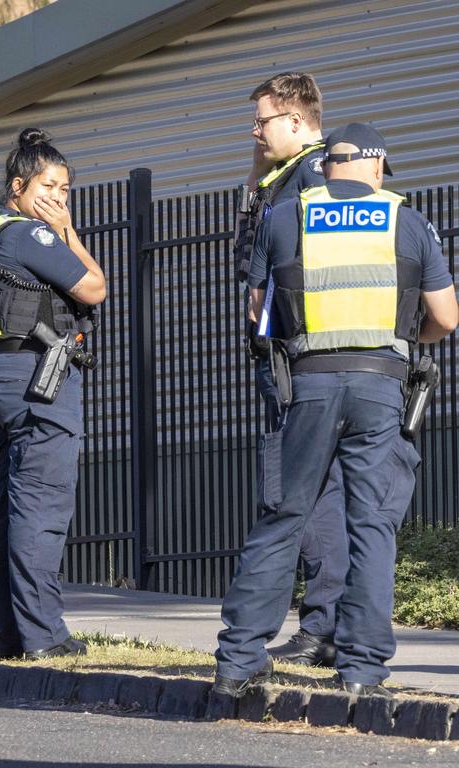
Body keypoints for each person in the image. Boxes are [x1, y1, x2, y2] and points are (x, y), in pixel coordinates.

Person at [215, 123, 458, 697]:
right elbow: (446, 318)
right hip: (381, 386)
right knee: (371, 523)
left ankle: (238, 660)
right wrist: (403, 341)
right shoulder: (407, 220)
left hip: (308, 384)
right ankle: (363, 671)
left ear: (327, 166)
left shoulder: (283, 216)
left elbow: (258, 310)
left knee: (286, 516)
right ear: (375, 167)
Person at [0, 128, 106, 659]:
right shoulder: (30, 235)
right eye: (49, 186)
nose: (59, 199)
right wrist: (67, 230)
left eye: (66, 190)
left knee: (7, 511)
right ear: (18, 186)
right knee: (40, 509)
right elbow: (94, 287)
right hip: (36, 380)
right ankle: (44, 635)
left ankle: (7, 633)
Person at [233, 73, 344, 668]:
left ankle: (323, 625)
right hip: (296, 354)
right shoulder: (290, 174)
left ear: (297, 121)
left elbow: (275, 268)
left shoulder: (308, 177)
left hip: (296, 356)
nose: (255, 132)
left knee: (306, 490)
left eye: (264, 121)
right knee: (310, 488)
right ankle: (327, 622)